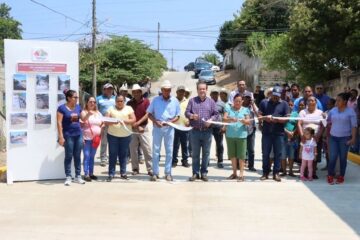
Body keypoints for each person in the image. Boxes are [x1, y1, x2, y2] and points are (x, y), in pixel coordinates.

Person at [185, 81, 219, 182]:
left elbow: (216, 114)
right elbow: (186, 112)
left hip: (207, 131)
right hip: (195, 131)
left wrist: (211, 120)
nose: (202, 91)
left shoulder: (211, 102)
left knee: (206, 154)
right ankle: (195, 173)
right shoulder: (192, 101)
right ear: (197, 90)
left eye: (204, 89)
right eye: (200, 89)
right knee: (195, 154)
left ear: (206, 90)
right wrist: (191, 116)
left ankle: (204, 173)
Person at [147, 80, 180, 181]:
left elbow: (178, 116)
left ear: (170, 90)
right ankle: (155, 173)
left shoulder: (175, 101)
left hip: (169, 128)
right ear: (162, 90)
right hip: (157, 128)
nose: (167, 92)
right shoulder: (155, 100)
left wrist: (170, 121)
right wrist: (155, 121)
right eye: (165, 90)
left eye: (168, 90)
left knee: (169, 151)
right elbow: (149, 113)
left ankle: (168, 173)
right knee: (156, 151)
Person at [258, 86, 289, 182]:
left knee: (278, 154)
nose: (276, 97)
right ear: (271, 94)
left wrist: (277, 120)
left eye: (278, 96)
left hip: (279, 133)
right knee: (265, 153)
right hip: (267, 133)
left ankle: (276, 173)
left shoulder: (284, 104)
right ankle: (265, 173)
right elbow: (259, 115)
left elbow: (287, 118)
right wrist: (264, 118)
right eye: (274, 95)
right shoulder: (264, 102)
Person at [327, 92, 357, 185]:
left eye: (339, 100)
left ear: (344, 101)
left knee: (343, 158)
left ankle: (341, 176)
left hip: (344, 138)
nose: (337, 102)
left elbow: (354, 126)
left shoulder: (351, 112)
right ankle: (330, 175)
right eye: (336, 100)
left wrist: (353, 138)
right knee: (332, 157)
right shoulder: (333, 110)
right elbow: (328, 122)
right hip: (333, 138)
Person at [57, 89, 85, 186]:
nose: (77, 99)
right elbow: (59, 123)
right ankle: (68, 177)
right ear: (69, 98)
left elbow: (83, 119)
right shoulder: (61, 108)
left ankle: (78, 176)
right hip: (68, 136)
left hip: (78, 135)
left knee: (77, 156)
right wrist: (61, 137)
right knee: (68, 156)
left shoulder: (78, 107)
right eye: (75, 97)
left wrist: (89, 112)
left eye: (77, 97)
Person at [105, 95, 136, 181]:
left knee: (124, 155)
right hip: (112, 136)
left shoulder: (129, 108)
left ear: (124, 101)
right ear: (115, 101)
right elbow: (106, 120)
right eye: (118, 101)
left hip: (125, 136)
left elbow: (133, 119)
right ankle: (111, 174)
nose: (120, 103)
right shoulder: (110, 109)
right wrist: (113, 121)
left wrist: (124, 121)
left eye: (121, 101)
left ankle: (123, 173)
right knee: (112, 155)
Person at [127, 84, 153, 176]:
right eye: (134, 92)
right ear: (132, 93)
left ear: (141, 92)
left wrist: (138, 123)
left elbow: (147, 114)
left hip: (143, 127)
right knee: (133, 149)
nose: (136, 93)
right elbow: (128, 115)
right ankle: (135, 168)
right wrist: (134, 124)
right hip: (133, 128)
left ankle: (150, 168)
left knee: (147, 148)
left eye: (138, 91)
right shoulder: (129, 103)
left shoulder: (146, 101)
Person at [223, 94, 250, 181]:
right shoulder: (228, 109)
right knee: (232, 155)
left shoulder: (246, 110)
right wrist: (230, 119)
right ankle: (234, 173)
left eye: (239, 101)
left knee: (241, 155)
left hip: (241, 136)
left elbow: (248, 122)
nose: (237, 103)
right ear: (233, 101)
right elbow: (224, 119)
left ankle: (241, 174)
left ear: (242, 101)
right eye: (236, 101)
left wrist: (244, 121)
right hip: (230, 135)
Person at [297, 96, 324, 179]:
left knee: (314, 154)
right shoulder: (302, 112)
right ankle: (304, 172)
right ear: (307, 103)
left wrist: (318, 136)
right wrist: (302, 136)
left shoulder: (320, 113)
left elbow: (323, 125)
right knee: (305, 154)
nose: (311, 102)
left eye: (313, 100)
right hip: (305, 137)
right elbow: (299, 124)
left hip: (316, 137)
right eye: (309, 100)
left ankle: (313, 173)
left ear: (316, 102)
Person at [80, 96, 103, 182]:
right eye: (90, 102)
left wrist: (102, 126)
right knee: (86, 156)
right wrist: (88, 114)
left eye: (94, 102)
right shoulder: (83, 112)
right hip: (87, 138)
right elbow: (83, 120)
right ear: (87, 102)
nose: (92, 103)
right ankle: (86, 174)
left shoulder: (98, 113)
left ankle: (91, 173)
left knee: (92, 156)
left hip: (96, 138)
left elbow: (101, 122)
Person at [96, 83, 115, 167]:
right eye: (107, 89)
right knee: (104, 141)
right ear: (104, 90)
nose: (109, 90)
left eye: (111, 89)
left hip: (114, 123)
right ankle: (103, 158)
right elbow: (95, 110)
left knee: (114, 141)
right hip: (103, 123)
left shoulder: (116, 98)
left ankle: (114, 157)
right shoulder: (99, 98)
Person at [172, 86, 190, 168]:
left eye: (183, 91)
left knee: (185, 144)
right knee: (175, 144)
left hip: (184, 127)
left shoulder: (188, 101)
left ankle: (185, 160)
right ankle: (174, 160)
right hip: (174, 126)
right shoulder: (172, 100)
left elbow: (190, 112)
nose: (181, 93)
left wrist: (189, 121)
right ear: (177, 92)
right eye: (180, 91)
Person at [281, 99, 298, 177]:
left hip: (293, 138)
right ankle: (284, 171)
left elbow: (298, 125)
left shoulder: (296, 114)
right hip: (283, 137)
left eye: (292, 105)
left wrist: (293, 132)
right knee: (283, 155)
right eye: (289, 105)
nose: (290, 106)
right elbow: (280, 126)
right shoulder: (283, 114)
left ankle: (290, 171)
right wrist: (287, 132)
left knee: (291, 155)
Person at [210, 88, 225, 168]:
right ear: (210, 95)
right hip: (209, 127)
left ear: (218, 95)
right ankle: (206, 161)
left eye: (216, 93)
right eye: (213, 94)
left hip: (218, 127)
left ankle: (220, 161)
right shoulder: (207, 102)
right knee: (207, 145)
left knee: (219, 144)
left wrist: (224, 126)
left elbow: (225, 115)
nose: (215, 95)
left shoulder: (222, 104)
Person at [242, 92, 257, 172]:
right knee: (241, 149)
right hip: (242, 130)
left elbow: (258, 113)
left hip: (251, 131)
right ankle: (240, 165)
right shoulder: (240, 107)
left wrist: (253, 104)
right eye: (245, 98)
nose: (247, 99)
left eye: (249, 98)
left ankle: (251, 166)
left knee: (251, 149)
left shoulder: (252, 107)